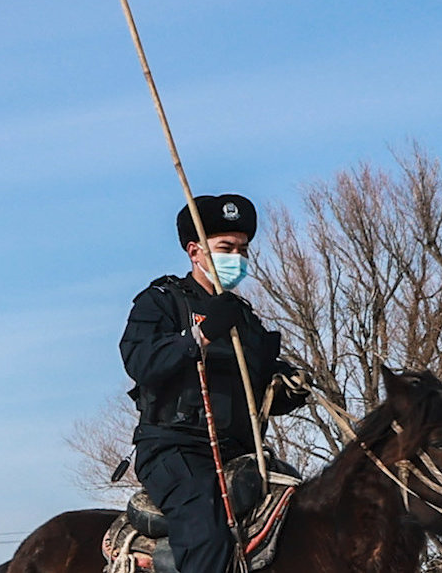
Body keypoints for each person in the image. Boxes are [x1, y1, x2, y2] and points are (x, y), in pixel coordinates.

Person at [120, 194, 305, 573]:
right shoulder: (161, 302)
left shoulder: (247, 321)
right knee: (207, 527)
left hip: (240, 452)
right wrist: (199, 337)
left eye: (243, 249)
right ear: (195, 251)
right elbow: (140, 361)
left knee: (305, 509)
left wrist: (285, 387)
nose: (237, 257)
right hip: (175, 450)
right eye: (225, 248)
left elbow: (256, 390)